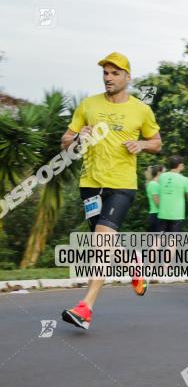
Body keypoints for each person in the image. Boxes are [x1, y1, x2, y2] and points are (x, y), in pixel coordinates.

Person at [61, 52, 161, 330]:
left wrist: (141, 145)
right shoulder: (88, 105)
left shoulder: (141, 109)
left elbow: (156, 142)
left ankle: (86, 307)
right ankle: (133, 263)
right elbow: (65, 141)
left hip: (122, 185)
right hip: (90, 184)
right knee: (102, 241)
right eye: (105, 73)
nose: (108, 77)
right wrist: (78, 138)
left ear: (127, 77)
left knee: (101, 243)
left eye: (114, 73)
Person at [155, 156, 188, 232]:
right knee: (172, 242)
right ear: (180, 166)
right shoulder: (184, 179)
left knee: (158, 241)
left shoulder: (162, 177)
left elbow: (158, 193)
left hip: (162, 213)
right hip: (177, 215)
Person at [144, 164, 164, 232]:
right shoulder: (153, 184)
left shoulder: (156, 184)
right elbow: (157, 202)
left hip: (157, 215)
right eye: (164, 172)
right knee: (157, 241)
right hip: (156, 216)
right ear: (159, 172)